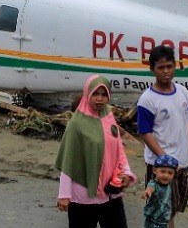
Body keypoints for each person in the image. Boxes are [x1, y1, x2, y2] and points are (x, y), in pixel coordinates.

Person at [55, 75, 136, 228]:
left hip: (110, 192)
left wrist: (127, 174)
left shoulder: (108, 118)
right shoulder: (76, 124)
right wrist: (64, 194)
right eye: (95, 94)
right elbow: (68, 160)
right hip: (83, 197)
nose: (100, 99)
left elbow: (119, 150)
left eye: (104, 94)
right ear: (88, 94)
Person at [137, 45, 188, 228]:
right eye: (160, 67)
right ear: (152, 69)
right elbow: (145, 132)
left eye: (169, 66)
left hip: (183, 162)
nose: (166, 71)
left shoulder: (183, 92)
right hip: (161, 166)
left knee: (173, 209)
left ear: (175, 66)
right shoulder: (147, 100)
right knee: (161, 210)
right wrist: (164, 159)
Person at [142, 155, 178, 228]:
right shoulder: (153, 184)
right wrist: (147, 192)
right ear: (154, 170)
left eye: (170, 173)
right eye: (163, 171)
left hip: (164, 221)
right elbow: (150, 188)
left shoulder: (169, 184)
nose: (166, 175)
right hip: (152, 220)